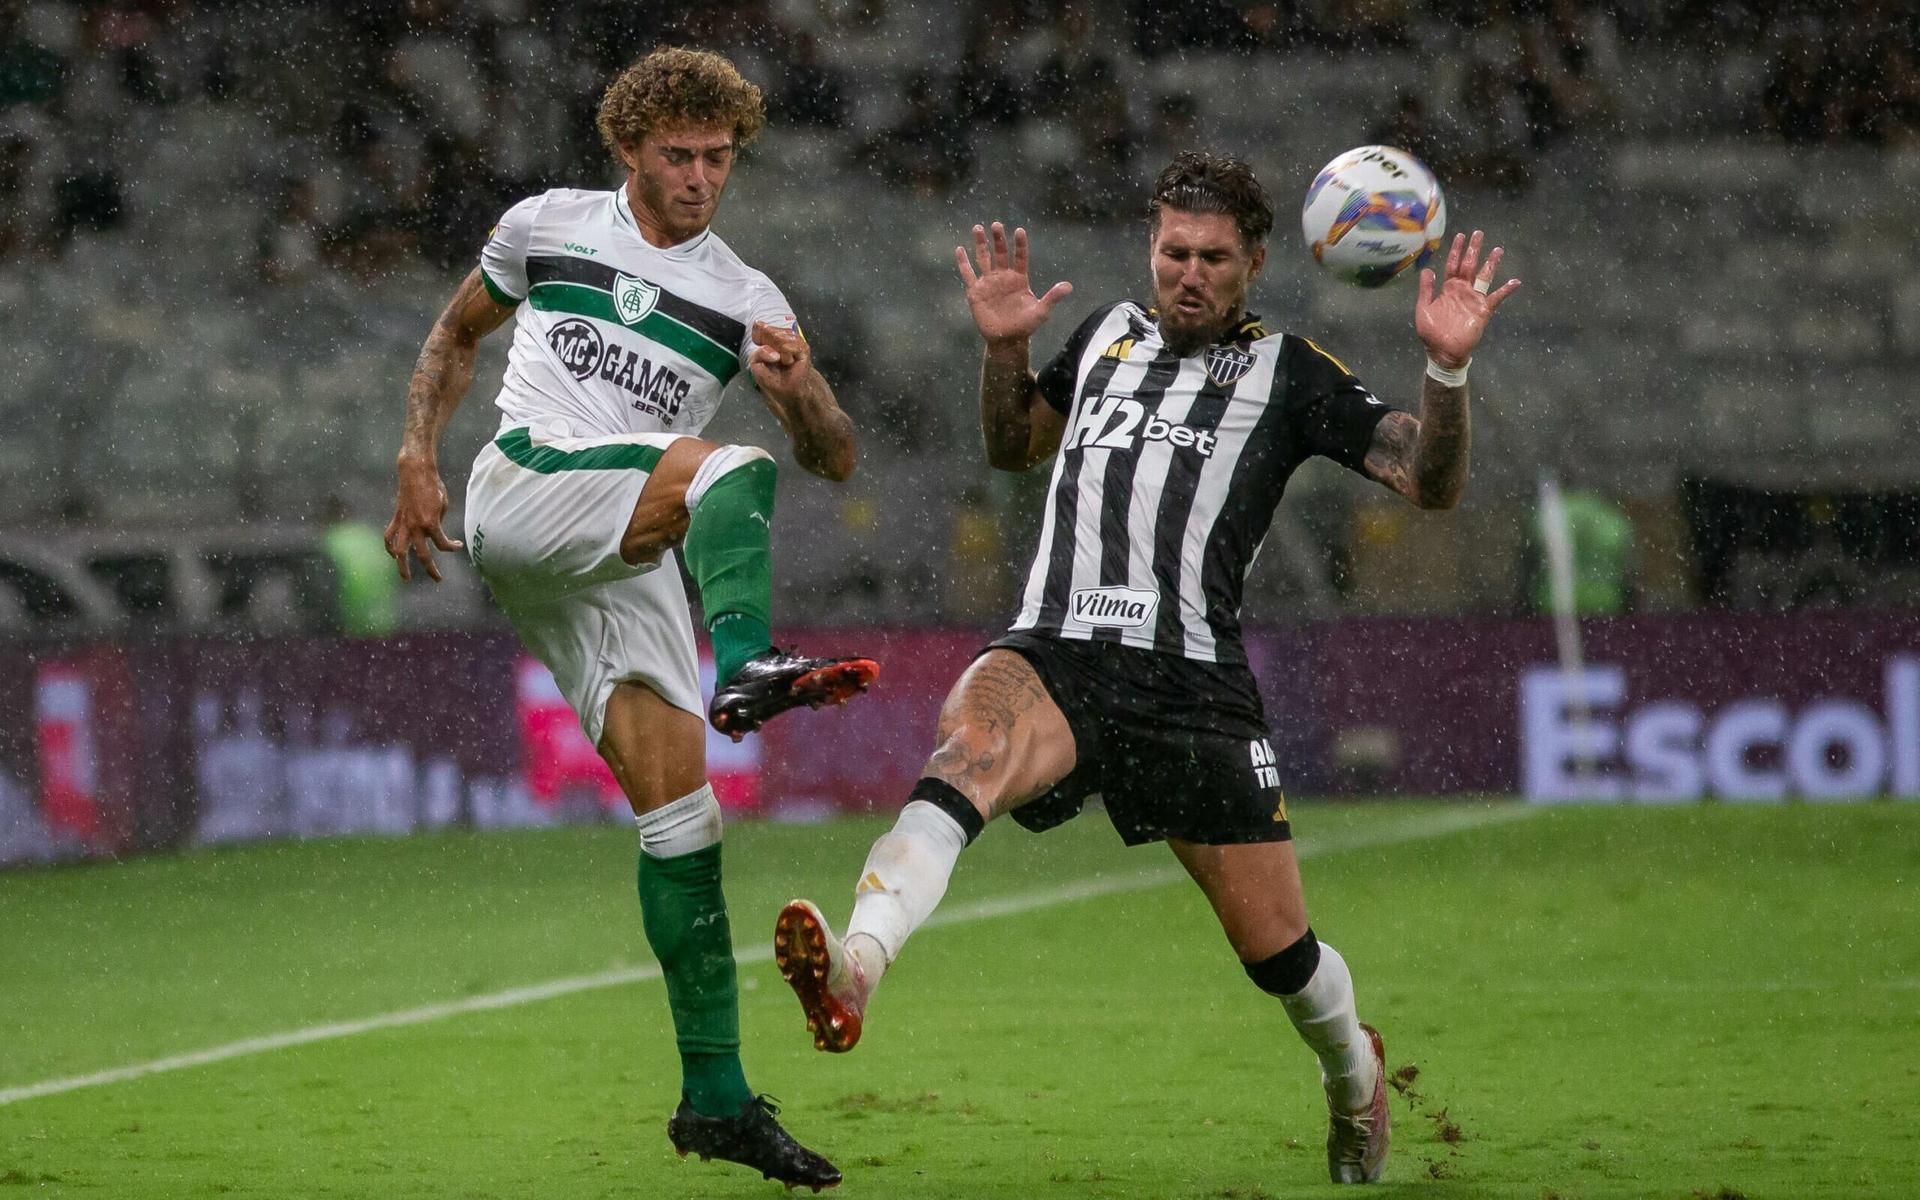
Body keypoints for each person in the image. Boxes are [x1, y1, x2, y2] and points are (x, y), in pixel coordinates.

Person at [773, 152, 1518, 1186]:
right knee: (967, 750)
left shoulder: (1292, 373)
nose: (1191, 274)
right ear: (1150, 249)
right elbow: (1010, 444)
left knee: (1279, 955)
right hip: (1058, 650)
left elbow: (1426, 481)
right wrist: (1004, 348)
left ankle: (1353, 1073)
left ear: (1256, 262)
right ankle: (857, 968)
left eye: (1215, 257)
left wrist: (1446, 370)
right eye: (1175, 251)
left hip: (1192, 686)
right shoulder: (1105, 336)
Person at [383, 46, 876, 1192]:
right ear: (628, 150)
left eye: (719, 158)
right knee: (726, 470)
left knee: (685, 826)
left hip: (623, 546)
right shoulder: (545, 227)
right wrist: (416, 452)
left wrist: (801, 386)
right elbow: (457, 336)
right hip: (528, 488)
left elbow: (838, 457)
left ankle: (714, 1102)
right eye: (679, 157)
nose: (702, 178)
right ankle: (746, 663)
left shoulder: (749, 297)